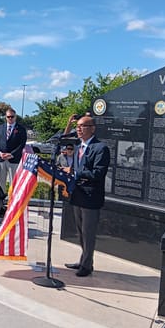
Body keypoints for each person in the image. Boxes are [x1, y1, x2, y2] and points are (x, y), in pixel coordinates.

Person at [63, 115, 110, 277]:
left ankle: (87, 266)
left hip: (91, 197)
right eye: (78, 126)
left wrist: (75, 172)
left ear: (92, 128)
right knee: (80, 232)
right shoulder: (78, 147)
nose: (79, 129)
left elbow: (98, 173)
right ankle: (83, 259)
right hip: (78, 195)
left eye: (82, 126)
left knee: (88, 233)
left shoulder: (100, 148)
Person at [0, 107, 27, 190]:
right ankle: (1, 201)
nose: (10, 118)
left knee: (14, 183)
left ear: (15, 117)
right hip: (1, 160)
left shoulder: (21, 129)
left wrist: (11, 154)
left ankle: (12, 201)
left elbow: (21, 144)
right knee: (1, 183)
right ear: (5, 117)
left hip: (14, 160)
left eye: (12, 116)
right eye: (8, 117)